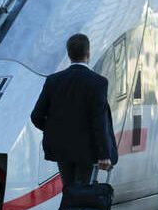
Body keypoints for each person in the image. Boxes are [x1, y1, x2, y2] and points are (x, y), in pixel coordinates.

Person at [30, 34, 118, 189]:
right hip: (88, 150)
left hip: (62, 148)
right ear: (88, 53)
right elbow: (99, 121)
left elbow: (36, 116)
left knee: (69, 189)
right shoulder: (98, 83)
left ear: (69, 54)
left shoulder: (53, 80)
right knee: (83, 192)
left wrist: (56, 130)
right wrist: (104, 154)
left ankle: (68, 204)